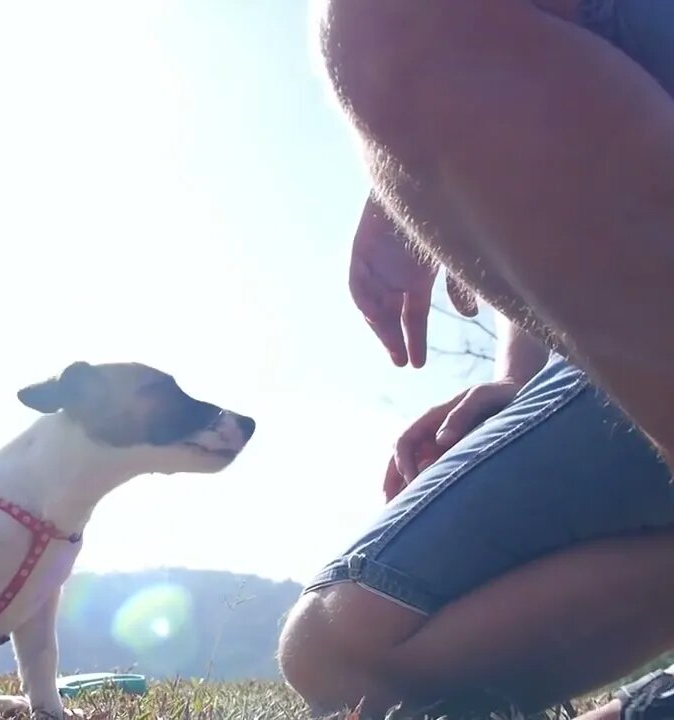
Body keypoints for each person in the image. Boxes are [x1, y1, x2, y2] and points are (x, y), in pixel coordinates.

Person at [281, 1, 674, 715]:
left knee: (382, 20)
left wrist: (418, 101)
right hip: (621, 378)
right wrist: (515, 382)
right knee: (340, 646)